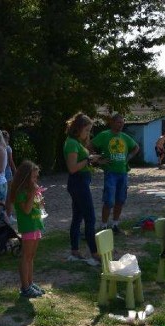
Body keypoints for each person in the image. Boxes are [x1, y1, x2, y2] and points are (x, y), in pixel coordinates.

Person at [90, 113, 139, 232]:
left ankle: (115, 224)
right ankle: (104, 225)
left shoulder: (125, 137)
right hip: (110, 172)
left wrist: (128, 157)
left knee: (121, 199)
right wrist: (99, 159)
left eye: (122, 122)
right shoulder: (104, 135)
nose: (121, 125)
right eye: (118, 122)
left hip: (123, 172)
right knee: (109, 200)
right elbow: (89, 145)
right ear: (112, 123)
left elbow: (136, 147)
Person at [63, 112, 101, 267]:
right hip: (78, 182)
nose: (88, 133)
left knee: (78, 218)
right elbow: (72, 168)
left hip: (81, 182)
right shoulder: (72, 143)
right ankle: (94, 254)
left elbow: (83, 163)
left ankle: (75, 251)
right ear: (77, 129)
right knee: (90, 218)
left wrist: (95, 160)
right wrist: (88, 160)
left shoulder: (77, 143)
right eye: (86, 130)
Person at [7, 160, 45, 298]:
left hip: (36, 225)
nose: (35, 180)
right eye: (33, 177)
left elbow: (35, 207)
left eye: (36, 177)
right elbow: (27, 210)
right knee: (26, 256)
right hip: (28, 227)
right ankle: (25, 287)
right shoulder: (21, 192)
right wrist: (32, 195)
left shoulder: (30, 190)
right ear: (25, 177)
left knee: (31, 256)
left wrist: (39, 201)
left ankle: (30, 282)